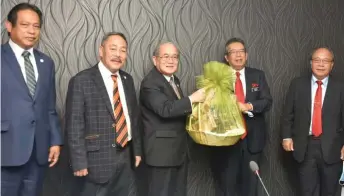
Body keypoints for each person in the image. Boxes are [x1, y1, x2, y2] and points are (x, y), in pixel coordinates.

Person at [65, 32, 142, 196]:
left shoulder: (127, 80)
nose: (118, 54)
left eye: (123, 50)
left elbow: (133, 120)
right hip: (95, 160)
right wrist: (79, 162)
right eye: (113, 48)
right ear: (101, 51)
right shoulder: (81, 80)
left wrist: (137, 151)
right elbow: (74, 125)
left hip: (125, 156)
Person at [1, 3, 63, 196]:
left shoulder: (46, 62)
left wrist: (55, 141)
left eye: (36, 26)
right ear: (9, 26)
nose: (31, 31)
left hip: (38, 151)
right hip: (5, 149)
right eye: (25, 25)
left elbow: (49, 107)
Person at [139, 42, 205, 196]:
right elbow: (165, 109)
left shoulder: (174, 80)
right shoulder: (150, 83)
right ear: (155, 60)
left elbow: (178, 110)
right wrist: (192, 98)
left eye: (174, 57)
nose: (171, 61)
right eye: (166, 56)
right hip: (161, 155)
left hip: (177, 153)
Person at [210, 37, 272, 196]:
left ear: (247, 54)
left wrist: (248, 106)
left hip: (253, 139)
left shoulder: (258, 75)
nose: (238, 55)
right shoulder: (218, 77)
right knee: (227, 184)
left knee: (251, 185)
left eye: (241, 51)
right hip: (227, 139)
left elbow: (267, 101)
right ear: (226, 57)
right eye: (233, 52)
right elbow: (210, 106)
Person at [281, 47, 344, 196]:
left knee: (330, 192)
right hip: (305, 146)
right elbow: (287, 113)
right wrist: (286, 136)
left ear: (332, 65)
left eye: (325, 61)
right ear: (311, 63)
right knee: (306, 191)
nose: (321, 64)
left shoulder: (341, 88)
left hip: (333, 148)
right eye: (317, 60)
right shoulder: (297, 84)